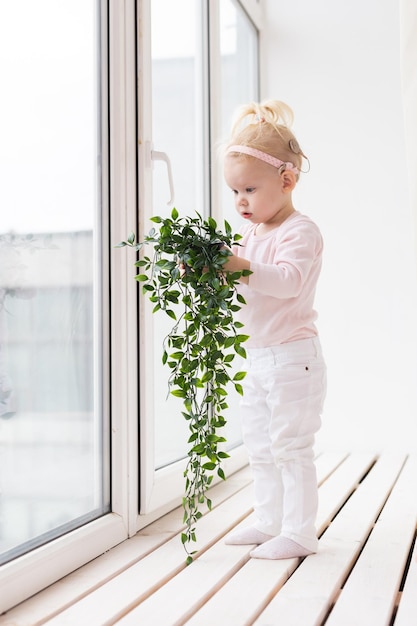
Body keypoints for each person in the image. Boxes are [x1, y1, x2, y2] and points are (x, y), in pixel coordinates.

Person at [222, 99, 327, 560]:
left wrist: (238, 266)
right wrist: (212, 267)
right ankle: (269, 521)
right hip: (259, 355)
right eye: (235, 192)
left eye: (249, 189)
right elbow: (244, 278)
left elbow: (286, 282)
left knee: (291, 445)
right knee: (260, 445)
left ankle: (300, 532)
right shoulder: (252, 234)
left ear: (287, 181)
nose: (241, 201)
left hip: (292, 358)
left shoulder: (299, 231)